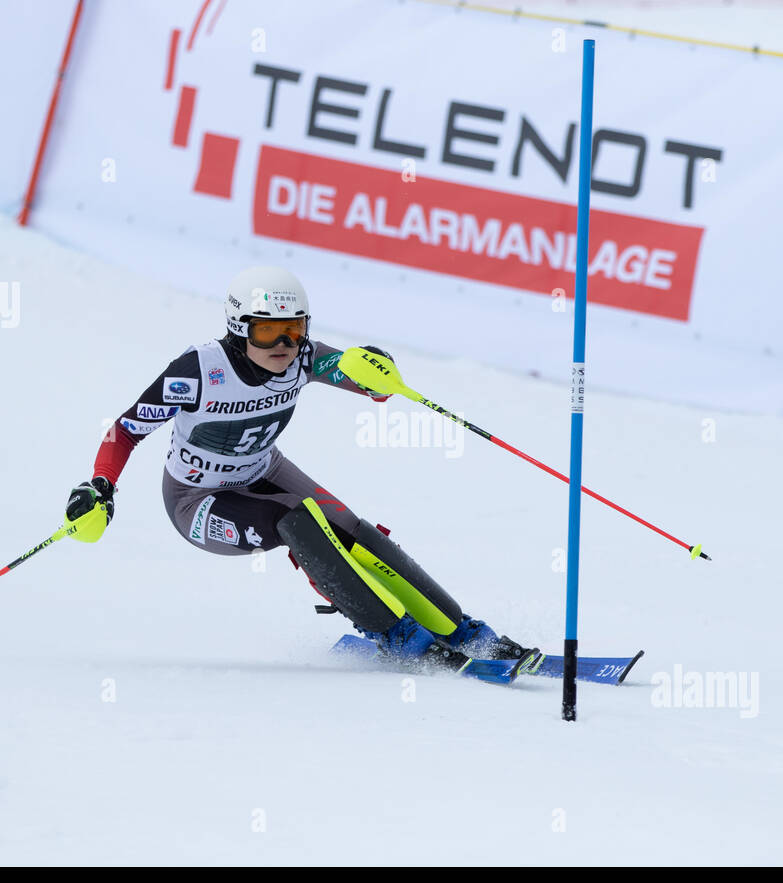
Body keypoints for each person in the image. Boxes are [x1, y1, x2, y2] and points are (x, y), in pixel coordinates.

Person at [64, 265, 536, 671]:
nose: (285, 343)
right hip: (196, 501)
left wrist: (376, 374)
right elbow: (124, 430)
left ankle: (460, 629)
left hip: (262, 469)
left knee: (351, 528)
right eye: (268, 331)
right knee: (297, 516)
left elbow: (365, 382)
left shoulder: (303, 356)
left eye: (295, 328)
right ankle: (396, 635)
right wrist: (101, 486)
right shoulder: (198, 370)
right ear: (238, 327)